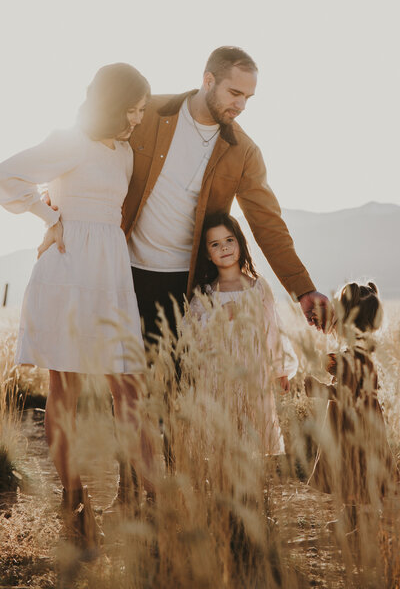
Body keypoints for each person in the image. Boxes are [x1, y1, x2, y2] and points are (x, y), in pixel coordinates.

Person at [0, 63, 155, 555]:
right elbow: (7, 175)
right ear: (110, 105)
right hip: (67, 272)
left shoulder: (127, 153)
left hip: (111, 275)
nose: (136, 120)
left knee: (128, 385)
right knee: (64, 389)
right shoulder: (70, 141)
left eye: (142, 112)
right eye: (130, 110)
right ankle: (76, 511)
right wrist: (50, 218)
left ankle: (144, 502)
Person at [121, 46, 330, 343]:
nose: (242, 104)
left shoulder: (244, 152)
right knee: (118, 377)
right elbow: (99, 145)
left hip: (187, 283)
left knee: (173, 385)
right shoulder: (150, 112)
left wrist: (304, 289)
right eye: (234, 93)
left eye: (248, 97)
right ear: (208, 81)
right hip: (123, 268)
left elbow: (267, 222)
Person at [185, 212, 298, 455]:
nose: (224, 248)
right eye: (215, 244)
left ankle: (252, 491)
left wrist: (280, 371)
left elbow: (273, 330)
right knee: (221, 437)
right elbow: (191, 333)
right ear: (207, 253)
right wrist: (219, 316)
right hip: (216, 375)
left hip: (252, 374)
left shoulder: (258, 288)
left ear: (240, 242)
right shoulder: (206, 293)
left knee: (252, 436)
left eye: (229, 240)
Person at [305, 282, 397, 531]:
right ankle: (353, 517)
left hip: (355, 428)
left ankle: (363, 522)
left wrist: (317, 388)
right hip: (358, 423)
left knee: (358, 469)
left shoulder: (355, 357)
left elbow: (346, 394)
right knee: (352, 471)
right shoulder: (356, 353)